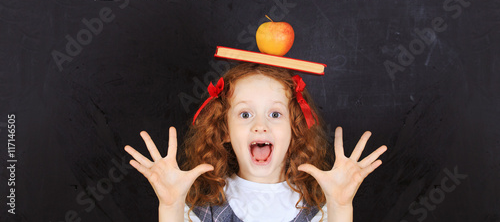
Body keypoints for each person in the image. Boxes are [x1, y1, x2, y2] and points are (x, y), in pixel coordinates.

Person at [124, 63, 387, 222]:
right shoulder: (208, 208)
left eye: (275, 114)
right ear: (224, 130)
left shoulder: (315, 208)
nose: (260, 125)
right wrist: (170, 206)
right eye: (245, 114)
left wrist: (341, 206)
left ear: (295, 129)